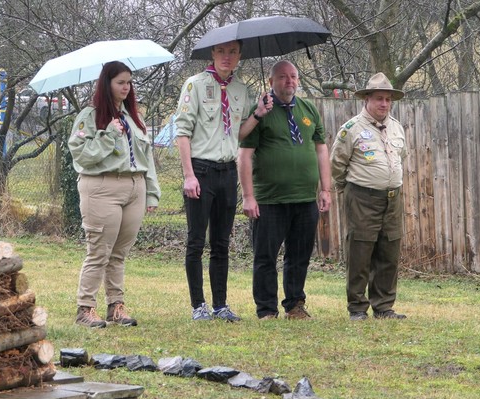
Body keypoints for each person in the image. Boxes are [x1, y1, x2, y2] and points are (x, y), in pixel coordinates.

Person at [175, 40, 272, 322]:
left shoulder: (240, 90)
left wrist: (258, 113)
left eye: (232, 52)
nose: (226, 57)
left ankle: (220, 305)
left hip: (227, 172)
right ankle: (198, 305)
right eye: (221, 51)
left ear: (240, 55)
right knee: (196, 241)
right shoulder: (195, 85)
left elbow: (238, 134)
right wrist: (189, 175)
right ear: (212, 54)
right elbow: (182, 133)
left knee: (221, 242)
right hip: (201, 170)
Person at [68, 61, 160, 328]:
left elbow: (147, 158)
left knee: (119, 253)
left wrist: (151, 193)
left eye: (129, 82)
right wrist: (108, 135)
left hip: (134, 187)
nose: (126, 87)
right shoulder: (90, 116)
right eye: (120, 82)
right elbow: (82, 156)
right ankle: (86, 308)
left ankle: (116, 306)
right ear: (106, 83)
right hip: (102, 187)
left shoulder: (134, 118)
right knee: (99, 251)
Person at [238, 60, 332, 320]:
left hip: (305, 198)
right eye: (282, 77)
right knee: (265, 256)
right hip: (270, 200)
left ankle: (295, 305)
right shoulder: (260, 111)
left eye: (293, 76)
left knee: (299, 255)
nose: (289, 81)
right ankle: (266, 309)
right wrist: (248, 196)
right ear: (271, 82)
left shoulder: (308, 109)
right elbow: (244, 156)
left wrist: (325, 189)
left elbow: (321, 150)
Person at [330, 72, 408, 320]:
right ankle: (357, 307)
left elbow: (401, 157)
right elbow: (337, 163)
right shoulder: (351, 129)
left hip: (393, 198)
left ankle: (383, 306)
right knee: (360, 251)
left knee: (389, 251)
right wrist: (346, 188)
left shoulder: (396, 127)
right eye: (378, 99)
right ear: (367, 99)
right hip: (362, 197)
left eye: (388, 99)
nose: (384, 104)